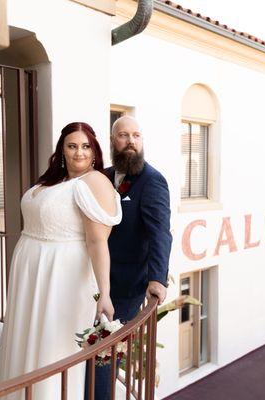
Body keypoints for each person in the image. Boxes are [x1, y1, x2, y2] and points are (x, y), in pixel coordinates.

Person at [0, 122, 122, 399]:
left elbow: (97, 240)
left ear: (95, 150)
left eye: (85, 146)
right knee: (25, 341)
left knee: (50, 350)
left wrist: (105, 294)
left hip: (62, 276)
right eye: (72, 146)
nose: (79, 153)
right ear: (62, 150)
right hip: (32, 272)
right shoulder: (56, 179)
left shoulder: (94, 181)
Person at [88, 116, 172, 399]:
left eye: (136, 135)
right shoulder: (102, 175)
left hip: (125, 288)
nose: (131, 141)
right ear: (113, 142)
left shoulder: (153, 181)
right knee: (86, 349)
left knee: (104, 360)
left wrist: (157, 279)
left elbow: (161, 233)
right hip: (93, 282)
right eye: (124, 135)